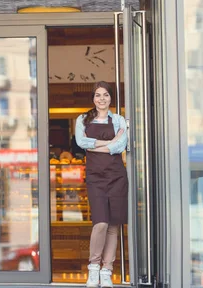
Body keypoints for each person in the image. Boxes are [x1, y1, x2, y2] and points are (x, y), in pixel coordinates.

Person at [74, 81, 128, 288]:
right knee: (101, 222)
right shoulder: (82, 119)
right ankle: (94, 268)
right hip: (95, 177)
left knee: (113, 224)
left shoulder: (119, 119)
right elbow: (81, 142)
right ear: (93, 98)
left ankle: (107, 271)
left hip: (116, 176)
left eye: (106, 95)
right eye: (98, 95)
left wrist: (96, 144)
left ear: (111, 98)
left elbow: (120, 146)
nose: (102, 99)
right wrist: (109, 142)